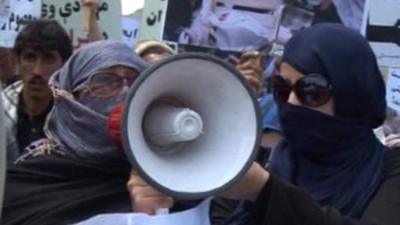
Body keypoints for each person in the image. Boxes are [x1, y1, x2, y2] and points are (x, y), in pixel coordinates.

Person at [130, 23, 400, 225]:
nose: (292, 103)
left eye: (312, 90)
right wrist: (162, 197)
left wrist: (265, 191)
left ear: (352, 93)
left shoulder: (391, 169)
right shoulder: (260, 157)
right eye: (282, 88)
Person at [1, 40, 148, 225]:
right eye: (104, 80)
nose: (124, 92)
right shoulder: (23, 186)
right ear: (72, 98)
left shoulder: (171, 181)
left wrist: (156, 215)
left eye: (135, 80)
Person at [1, 19, 72, 162]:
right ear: (17, 62)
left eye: (48, 59)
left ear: (64, 66)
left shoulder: (74, 121)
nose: (37, 71)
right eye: (30, 58)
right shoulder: (2, 111)